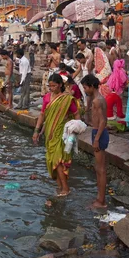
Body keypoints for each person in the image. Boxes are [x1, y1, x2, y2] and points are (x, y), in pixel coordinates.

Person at [32, 74, 80, 197]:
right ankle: (60, 187)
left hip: (62, 133)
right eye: (50, 86)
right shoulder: (47, 97)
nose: (51, 88)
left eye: (54, 86)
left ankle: (66, 188)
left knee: (58, 161)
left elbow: (76, 114)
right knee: (52, 160)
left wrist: (75, 129)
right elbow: (42, 115)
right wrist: (36, 131)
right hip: (49, 133)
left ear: (60, 85)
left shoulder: (66, 99)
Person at [81, 75, 109, 209]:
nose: (85, 90)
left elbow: (103, 121)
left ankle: (102, 201)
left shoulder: (98, 101)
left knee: (101, 169)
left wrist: (96, 139)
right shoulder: (95, 99)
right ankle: (99, 197)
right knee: (98, 168)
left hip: (99, 133)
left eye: (85, 87)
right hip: (97, 132)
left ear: (92, 86)